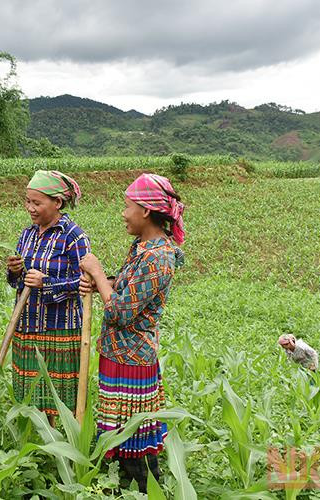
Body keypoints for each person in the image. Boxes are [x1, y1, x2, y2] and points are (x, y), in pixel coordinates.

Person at [79, 173, 185, 493]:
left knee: (134, 433)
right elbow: (127, 289)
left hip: (132, 356)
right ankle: (126, 487)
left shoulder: (157, 256)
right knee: (122, 430)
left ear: (146, 211)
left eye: (127, 207)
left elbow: (122, 313)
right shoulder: (142, 246)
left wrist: (97, 274)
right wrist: (104, 283)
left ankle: (145, 490)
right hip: (119, 352)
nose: (123, 213)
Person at [7, 170, 90, 425]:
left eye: (37, 203)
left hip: (60, 326)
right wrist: (15, 271)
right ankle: (36, 434)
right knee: (31, 389)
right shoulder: (27, 235)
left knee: (57, 389)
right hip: (27, 322)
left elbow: (86, 282)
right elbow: (17, 283)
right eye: (28, 201)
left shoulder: (73, 237)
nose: (30, 208)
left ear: (57, 203)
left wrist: (48, 283)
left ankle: (61, 438)